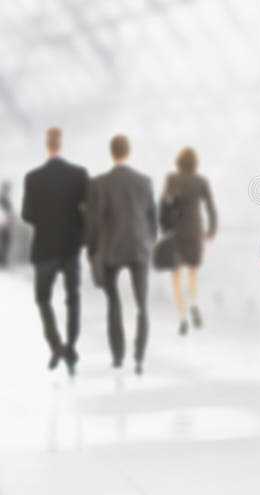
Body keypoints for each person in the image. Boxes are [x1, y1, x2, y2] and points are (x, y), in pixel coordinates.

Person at [86, 134, 156, 375]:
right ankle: (139, 357)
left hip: (110, 249)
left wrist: (92, 250)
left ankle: (118, 357)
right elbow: (152, 219)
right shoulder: (144, 182)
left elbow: (93, 223)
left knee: (113, 303)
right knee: (142, 304)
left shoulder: (99, 184)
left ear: (112, 152)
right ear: (128, 151)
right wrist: (149, 243)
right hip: (138, 249)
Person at [21, 128, 89, 374]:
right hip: (71, 247)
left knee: (43, 299)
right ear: (61, 144)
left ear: (47, 146)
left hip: (44, 249)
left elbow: (27, 215)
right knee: (73, 298)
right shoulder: (79, 175)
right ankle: (70, 347)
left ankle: (56, 345)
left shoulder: (33, 178)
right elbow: (87, 211)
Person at [160, 147, 217, 335]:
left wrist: (164, 228)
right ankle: (194, 303)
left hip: (176, 232)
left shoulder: (172, 179)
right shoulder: (201, 182)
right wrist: (211, 231)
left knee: (176, 275)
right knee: (193, 273)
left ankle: (183, 318)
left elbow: (163, 204)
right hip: (195, 231)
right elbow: (210, 208)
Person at [0, 181, 13, 266]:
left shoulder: (7, 200)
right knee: (4, 243)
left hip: (6, 225)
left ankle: (3, 261)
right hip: (3, 225)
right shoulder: (3, 200)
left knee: (6, 243)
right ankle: (2, 261)